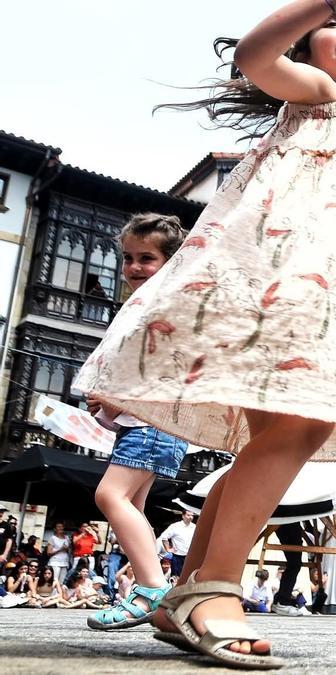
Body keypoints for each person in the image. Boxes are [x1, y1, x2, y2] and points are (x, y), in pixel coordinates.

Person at [72, 0, 336, 667]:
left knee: (279, 436)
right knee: (297, 427)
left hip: (319, 297)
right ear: (310, 51)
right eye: (334, 22)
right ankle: (216, 586)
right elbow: (255, 58)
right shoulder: (317, 96)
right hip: (282, 289)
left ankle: (185, 590)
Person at [84, 215, 193, 631]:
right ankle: (148, 588)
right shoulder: (145, 306)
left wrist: (111, 398)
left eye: (146, 258)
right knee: (132, 506)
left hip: (155, 419)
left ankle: (151, 589)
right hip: (144, 421)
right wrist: (109, 407)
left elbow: (162, 370)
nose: (133, 267)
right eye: (127, 257)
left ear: (170, 262)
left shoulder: (163, 307)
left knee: (110, 496)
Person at [158, 512, 197, 580]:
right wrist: (168, 549)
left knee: (189, 577)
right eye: (188, 515)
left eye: (192, 515)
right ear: (183, 516)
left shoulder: (194, 526)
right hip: (178, 556)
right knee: (176, 578)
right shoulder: (175, 526)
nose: (190, 517)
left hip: (190, 556)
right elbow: (164, 537)